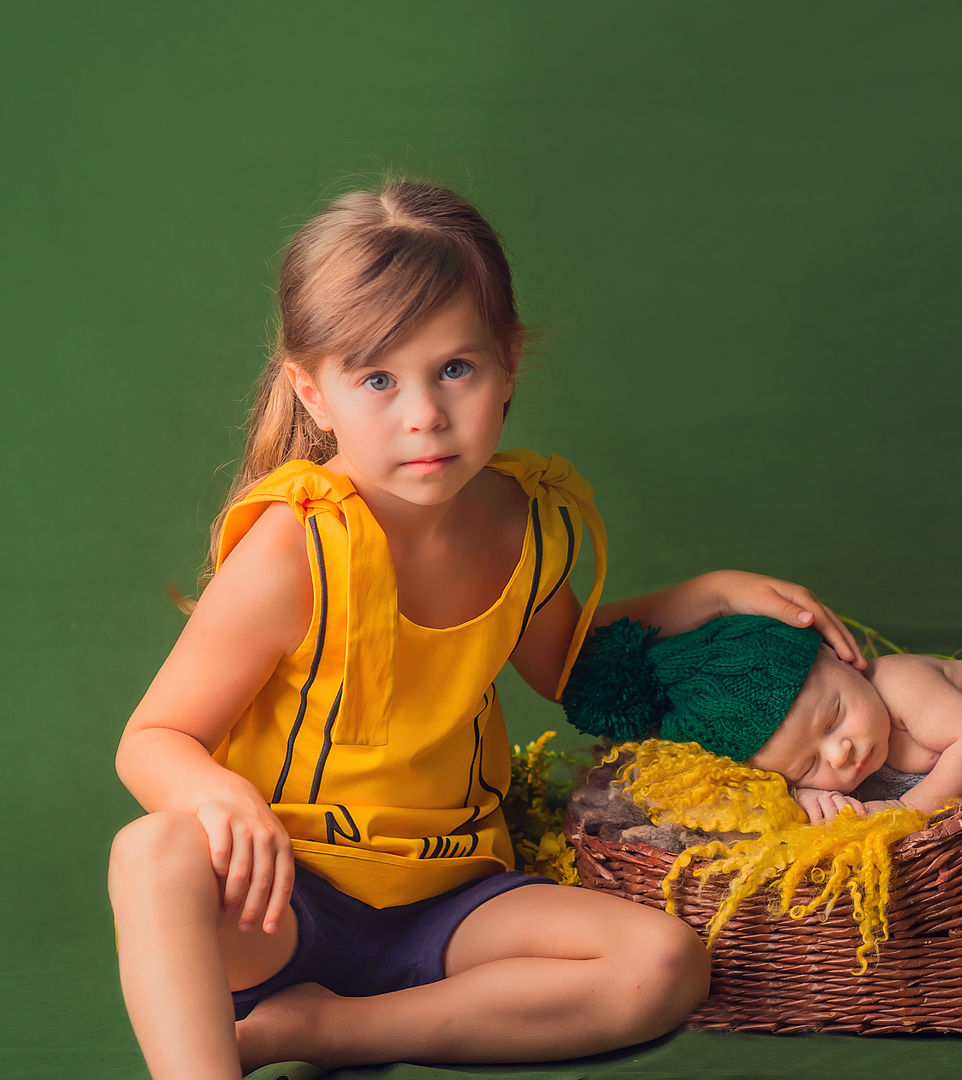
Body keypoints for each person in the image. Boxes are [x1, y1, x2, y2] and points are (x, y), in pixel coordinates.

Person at [107, 180, 862, 1080]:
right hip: (285, 900)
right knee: (151, 850)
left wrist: (702, 592)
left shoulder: (527, 524)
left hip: (451, 896)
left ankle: (324, 1031)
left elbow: (565, 668)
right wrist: (220, 801)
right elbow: (152, 740)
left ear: (507, 364)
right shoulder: (296, 545)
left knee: (662, 964)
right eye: (377, 380)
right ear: (312, 393)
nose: (423, 414)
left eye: (454, 370)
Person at [563, 615, 962, 823]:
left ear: (840, 659)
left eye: (835, 717)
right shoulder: (842, 769)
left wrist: (909, 813)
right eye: (806, 765)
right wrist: (807, 796)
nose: (839, 753)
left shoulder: (898, 682)